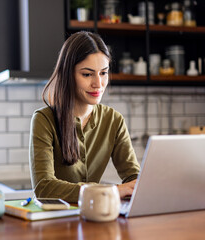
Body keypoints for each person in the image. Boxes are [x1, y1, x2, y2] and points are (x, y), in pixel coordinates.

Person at [29, 31, 140, 203]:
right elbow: (44, 187)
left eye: (103, 73)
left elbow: (133, 177)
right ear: (68, 75)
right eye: (87, 74)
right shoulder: (44, 120)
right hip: (57, 222)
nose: (98, 84)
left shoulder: (114, 120)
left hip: (96, 217)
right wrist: (111, 191)